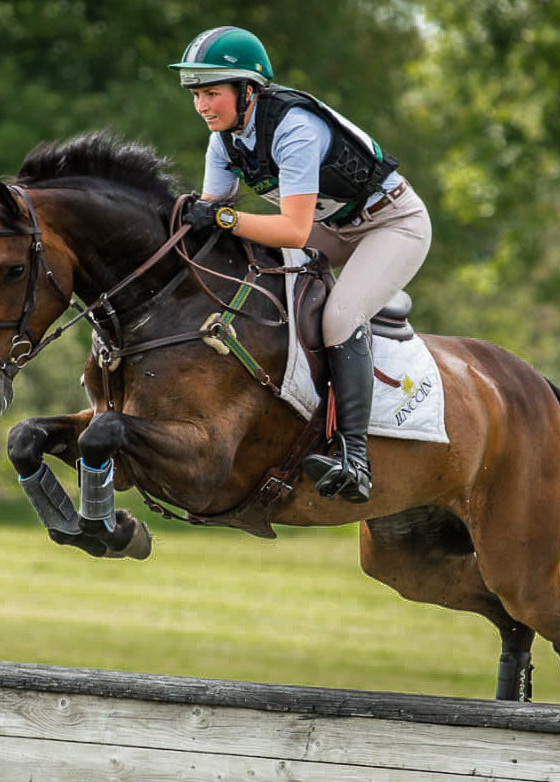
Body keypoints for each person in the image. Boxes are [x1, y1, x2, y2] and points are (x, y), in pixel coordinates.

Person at [169, 25, 432, 505]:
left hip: (391, 224)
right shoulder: (224, 141)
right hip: (333, 228)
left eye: (212, 93)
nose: (202, 106)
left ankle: (355, 461)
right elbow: (213, 224)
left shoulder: (294, 127)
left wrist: (224, 215)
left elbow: (290, 230)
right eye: (197, 95)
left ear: (247, 90)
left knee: (339, 316)